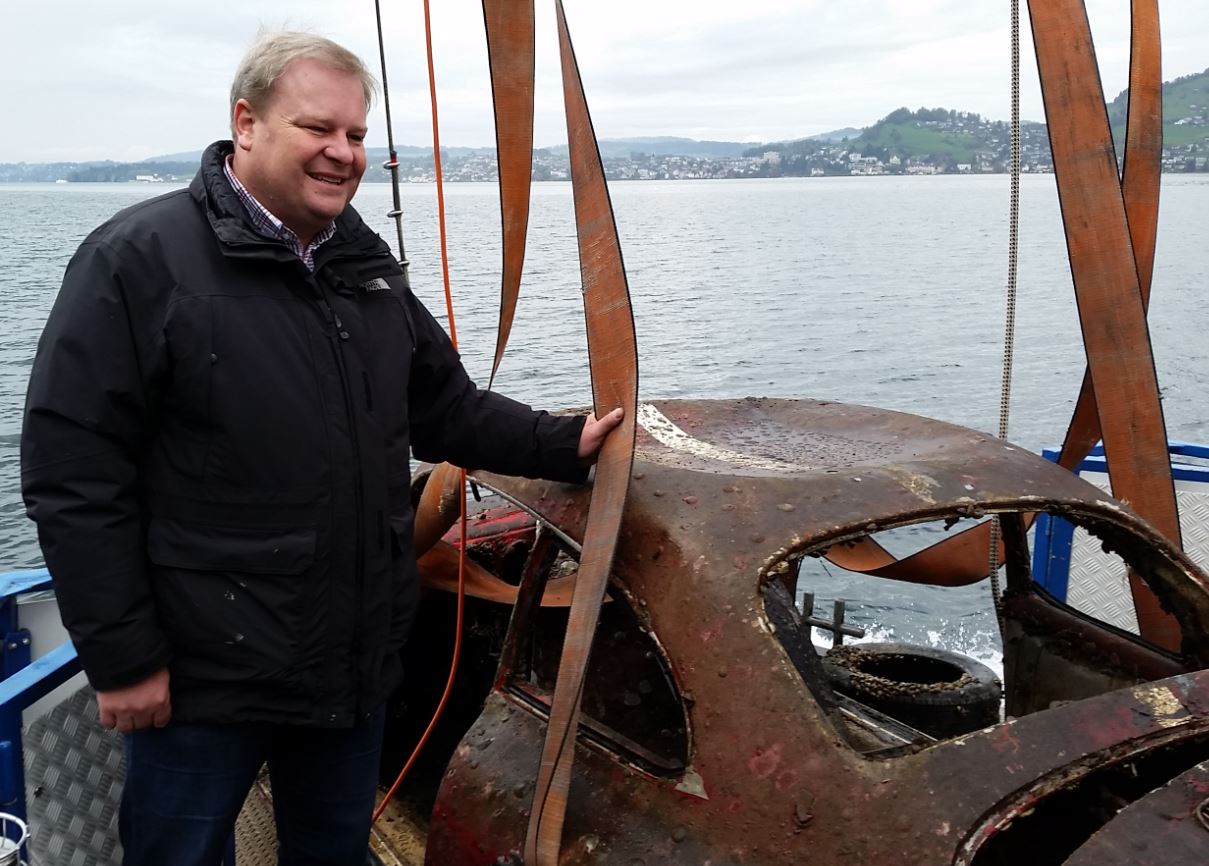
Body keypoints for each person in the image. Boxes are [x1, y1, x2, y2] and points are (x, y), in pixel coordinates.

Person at [20, 30, 622, 866]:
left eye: (357, 135)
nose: (342, 154)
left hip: (347, 664)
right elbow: (73, 472)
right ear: (248, 123)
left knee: (333, 852)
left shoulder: (360, 267)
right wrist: (122, 660)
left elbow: (444, 409)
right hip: (204, 674)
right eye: (318, 129)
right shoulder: (140, 260)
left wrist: (569, 443)